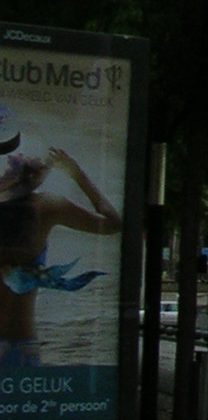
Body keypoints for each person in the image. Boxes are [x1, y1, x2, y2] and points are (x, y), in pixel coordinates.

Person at [0, 131, 122, 372]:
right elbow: (112, 223)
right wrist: (77, 174)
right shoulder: (46, 207)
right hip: (21, 342)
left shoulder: (44, 206)